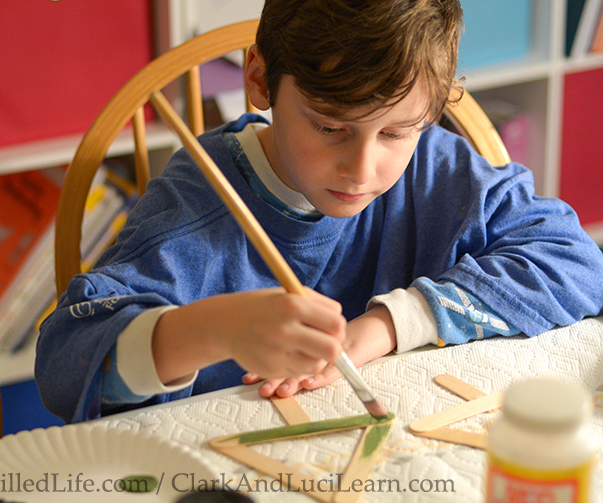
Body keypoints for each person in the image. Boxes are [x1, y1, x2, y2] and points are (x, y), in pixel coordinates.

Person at [35, 0, 603, 424]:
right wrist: (216, 329)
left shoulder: (433, 167)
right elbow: (65, 363)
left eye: (397, 131)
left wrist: (386, 326)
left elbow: (576, 261)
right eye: (331, 127)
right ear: (259, 80)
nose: (361, 167)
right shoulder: (198, 205)